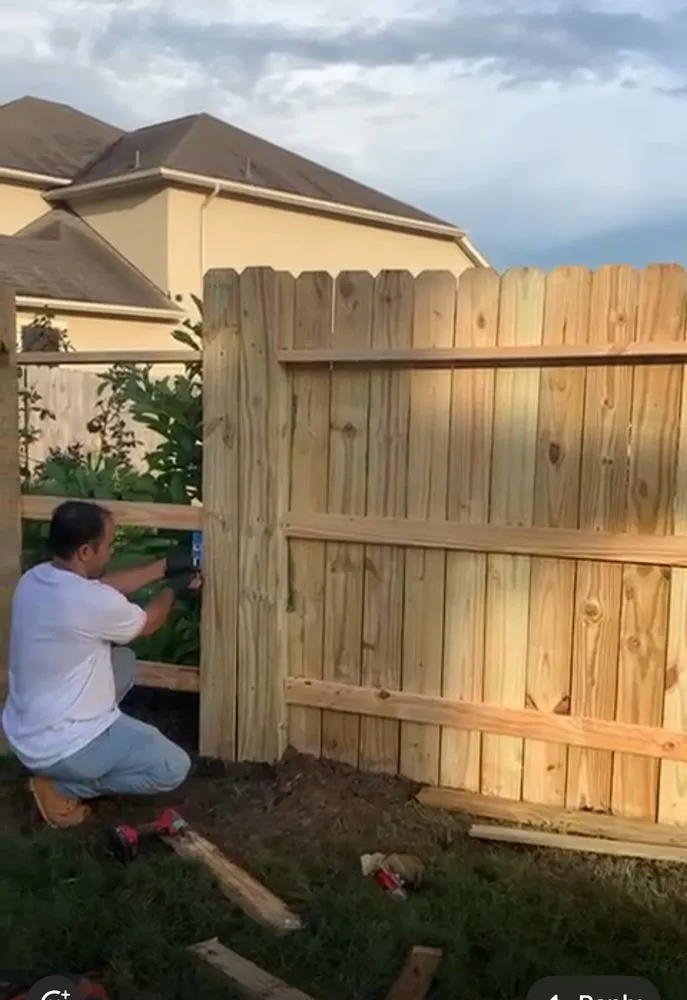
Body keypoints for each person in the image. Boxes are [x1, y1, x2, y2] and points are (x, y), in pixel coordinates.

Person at [1, 499, 202, 829]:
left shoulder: (36, 579)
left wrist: (163, 566)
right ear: (84, 552)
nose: (111, 552)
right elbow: (149, 622)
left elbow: (103, 588)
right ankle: (61, 787)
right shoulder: (88, 603)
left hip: (26, 732)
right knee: (172, 767)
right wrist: (173, 590)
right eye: (108, 545)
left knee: (121, 661)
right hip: (64, 745)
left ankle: (68, 765)